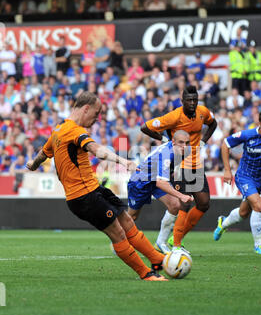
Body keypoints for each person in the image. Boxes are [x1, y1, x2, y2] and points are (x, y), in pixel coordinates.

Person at [26, 91, 168, 281]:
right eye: (96, 113)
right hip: (83, 197)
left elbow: (43, 153)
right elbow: (97, 150)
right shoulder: (75, 131)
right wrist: (123, 161)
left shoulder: (58, 131)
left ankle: (157, 259)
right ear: (86, 108)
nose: (97, 118)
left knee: (127, 221)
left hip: (94, 189)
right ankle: (146, 274)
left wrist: (33, 165)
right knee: (118, 232)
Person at [141, 85, 217, 251]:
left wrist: (204, 141)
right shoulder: (174, 116)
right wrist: (163, 139)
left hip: (196, 163)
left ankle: (174, 239)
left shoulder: (202, 112)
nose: (192, 103)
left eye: (195, 100)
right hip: (179, 164)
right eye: (189, 100)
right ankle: (175, 244)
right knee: (184, 202)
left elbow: (213, 124)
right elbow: (145, 127)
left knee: (203, 204)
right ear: (182, 101)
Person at [213, 108, 261, 254]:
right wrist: (227, 170)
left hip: (259, 180)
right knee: (259, 205)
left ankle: (223, 223)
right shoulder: (247, 134)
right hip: (244, 176)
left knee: (243, 213)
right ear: (259, 122)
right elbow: (225, 144)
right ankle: (258, 244)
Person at [128, 130, 193, 253]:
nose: (184, 146)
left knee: (175, 205)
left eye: (187, 143)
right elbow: (161, 182)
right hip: (140, 180)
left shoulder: (181, 151)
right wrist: (181, 195)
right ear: (173, 142)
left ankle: (160, 242)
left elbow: (167, 173)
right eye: (181, 143)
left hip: (155, 179)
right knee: (132, 217)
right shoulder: (166, 153)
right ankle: (118, 240)